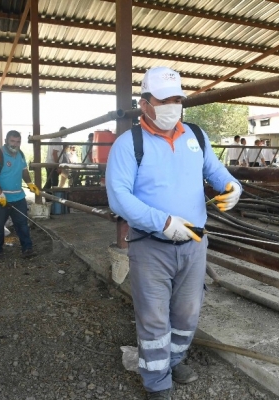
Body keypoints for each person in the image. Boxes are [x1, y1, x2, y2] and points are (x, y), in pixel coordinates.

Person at [105, 66, 242, 400]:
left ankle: (173, 360)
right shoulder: (129, 144)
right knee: (153, 319)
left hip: (194, 243)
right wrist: (164, 222)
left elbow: (216, 171)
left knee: (187, 313)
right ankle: (157, 383)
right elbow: (119, 197)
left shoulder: (196, 136)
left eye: (177, 100)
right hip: (151, 246)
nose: (172, 107)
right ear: (144, 104)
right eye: (164, 100)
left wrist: (232, 186)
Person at [0, 130, 39, 259]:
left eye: (18, 142)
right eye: (12, 141)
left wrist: (30, 183)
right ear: (6, 141)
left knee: (22, 224)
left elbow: (24, 170)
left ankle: (27, 249)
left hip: (18, 197)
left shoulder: (20, 154)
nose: (15, 144)